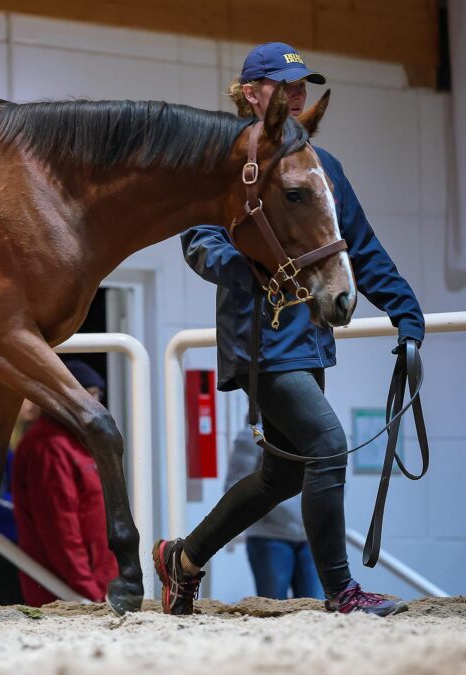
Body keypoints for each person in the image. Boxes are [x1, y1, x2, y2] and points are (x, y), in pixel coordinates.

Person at [154, 42, 425, 617]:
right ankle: (342, 593)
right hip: (258, 339)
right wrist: (257, 268)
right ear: (251, 93)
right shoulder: (221, 162)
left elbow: (359, 250)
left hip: (309, 340)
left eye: (302, 86)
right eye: (284, 85)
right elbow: (201, 246)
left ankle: (183, 559)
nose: (297, 94)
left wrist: (407, 314)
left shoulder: (326, 169)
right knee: (327, 444)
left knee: (281, 476)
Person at [12, 359, 118, 607]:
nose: (95, 405)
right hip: (64, 591)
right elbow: (60, 529)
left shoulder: (78, 442)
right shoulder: (49, 447)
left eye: (97, 396)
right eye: (89, 396)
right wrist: (89, 592)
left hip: (95, 582)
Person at [226, 430, 320, 599]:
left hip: (311, 538)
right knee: (273, 609)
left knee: (317, 610)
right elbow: (235, 487)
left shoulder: (311, 431)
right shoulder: (251, 437)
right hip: (269, 537)